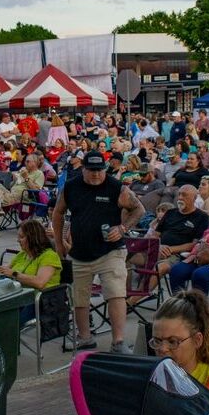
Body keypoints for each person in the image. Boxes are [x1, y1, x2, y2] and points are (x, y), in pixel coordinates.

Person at [53, 151, 144, 355]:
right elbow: (58, 212)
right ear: (83, 169)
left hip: (110, 251)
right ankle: (85, 338)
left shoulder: (116, 187)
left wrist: (122, 229)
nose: (96, 175)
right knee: (79, 297)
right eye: (91, 170)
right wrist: (59, 243)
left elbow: (139, 210)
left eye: (99, 170)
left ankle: (118, 341)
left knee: (115, 293)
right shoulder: (71, 186)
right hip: (79, 252)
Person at [151, 290, 209, 397]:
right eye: (157, 341)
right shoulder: (148, 377)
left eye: (173, 341)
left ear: (197, 340)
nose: (163, 349)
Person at [0, 218, 62, 323]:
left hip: (41, 300)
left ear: (33, 238)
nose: (18, 240)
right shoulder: (23, 254)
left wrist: (14, 274)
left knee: (6, 321)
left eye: (21, 237)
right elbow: (8, 270)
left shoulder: (49, 256)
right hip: (19, 296)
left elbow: (40, 283)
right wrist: (0, 271)